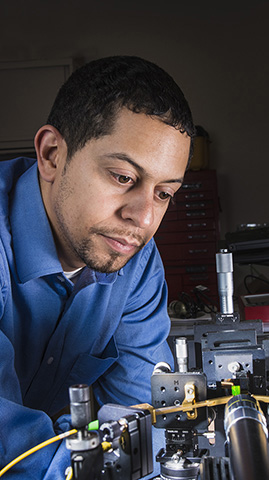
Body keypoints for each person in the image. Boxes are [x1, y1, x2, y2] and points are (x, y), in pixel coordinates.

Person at [0, 55, 194, 478]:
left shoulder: (137, 261)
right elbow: (11, 452)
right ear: (52, 154)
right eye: (124, 177)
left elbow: (140, 419)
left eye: (164, 194)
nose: (143, 218)